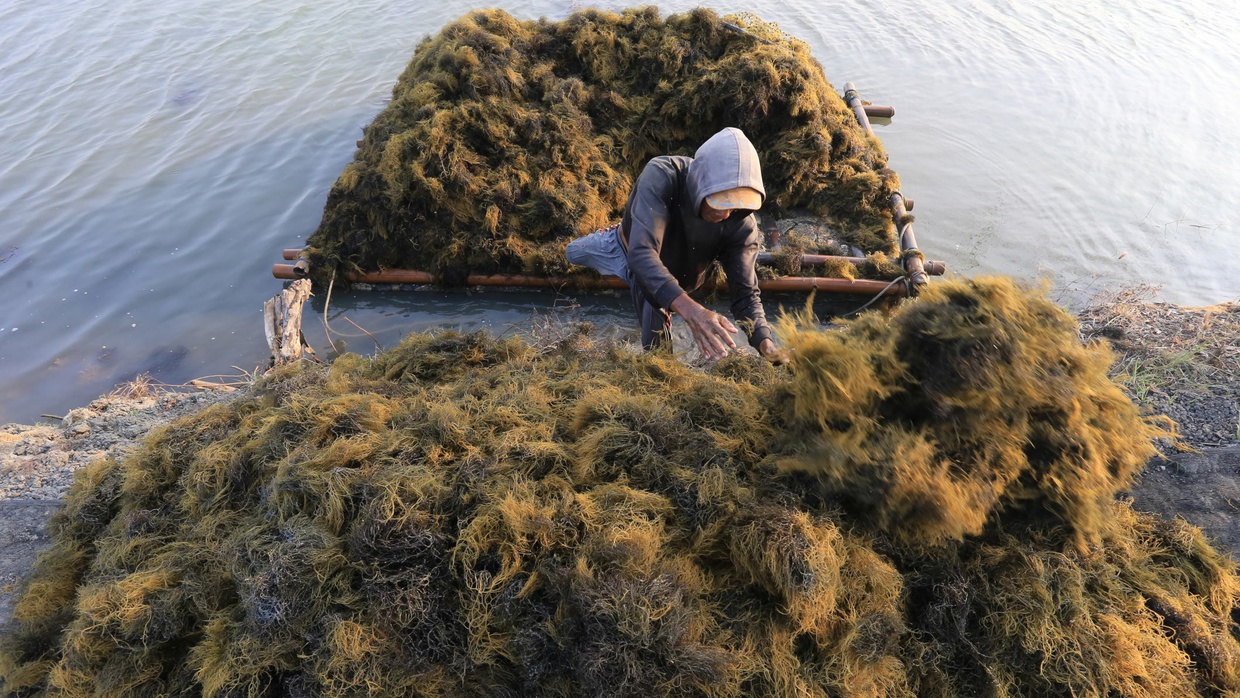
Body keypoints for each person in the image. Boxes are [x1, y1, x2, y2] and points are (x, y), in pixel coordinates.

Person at [567, 127, 785, 363]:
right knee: (571, 253)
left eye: (734, 207)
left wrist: (767, 345)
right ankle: (615, 232)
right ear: (700, 183)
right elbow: (642, 255)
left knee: (659, 358)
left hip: (673, 277)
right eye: (719, 202)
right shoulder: (663, 176)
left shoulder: (740, 224)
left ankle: (663, 305)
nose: (725, 214)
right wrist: (694, 312)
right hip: (627, 246)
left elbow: (746, 294)